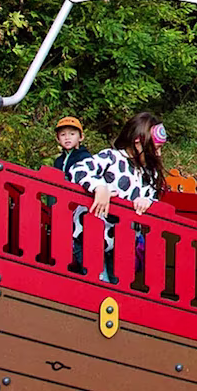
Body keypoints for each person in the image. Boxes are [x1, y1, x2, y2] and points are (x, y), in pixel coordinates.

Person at [68, 112, 169, 283]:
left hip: (119, 244)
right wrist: (99, 187)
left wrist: (148, 202)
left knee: (117, 286)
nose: (158, 154)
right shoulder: (112, 158)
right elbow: (78, 170)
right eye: (155, 148)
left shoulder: (148, 173)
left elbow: (153, 198)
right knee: (101, 282)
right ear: (138, 142)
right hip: (89, 237)